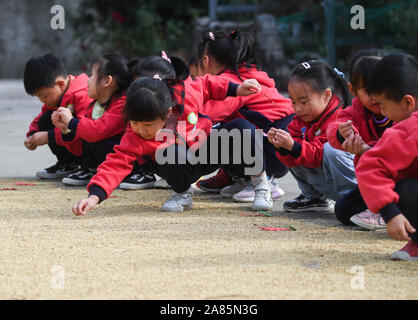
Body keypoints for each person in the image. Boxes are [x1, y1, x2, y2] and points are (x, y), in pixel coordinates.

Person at [72, 54, 265, 215]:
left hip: (204, 152)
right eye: (135, 123)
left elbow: (207, 84)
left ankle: (261, 184)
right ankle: (182, 193)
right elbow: (116, 164)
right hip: (178, 166)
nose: (140, 129)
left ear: (166, 114)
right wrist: (94, 197)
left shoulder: (186, 95)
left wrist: (236, 89)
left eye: (147, 124)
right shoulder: (135, 135)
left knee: (241, 128)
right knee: (167, 152)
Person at [194, 30, 294, 204]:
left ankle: (262, 181)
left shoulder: (231, 82)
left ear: (205, 60)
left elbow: (206, 114)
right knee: (228, 128)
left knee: (215, 132)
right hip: (283, 147)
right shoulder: (250, 74)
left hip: (272, 151)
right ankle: (239, 177)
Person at [268, 60, 356, 212]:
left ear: (326, 95)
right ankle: (314, 197)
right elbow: (293, 154)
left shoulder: (339, 118)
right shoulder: (300, 119)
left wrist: (293, 146)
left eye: (303, 101)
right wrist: (282, 147)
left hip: (356, 186)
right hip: (328, 182)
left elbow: (319, 154)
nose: (298, 108)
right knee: (292, 147)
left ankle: (354, 201)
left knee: (330, 149)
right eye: (293, 102)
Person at [355, 53, 418, 261]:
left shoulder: (407, 129)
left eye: (383, 105)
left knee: (405, 189)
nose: (382, 112)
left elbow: (370, 165)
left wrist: (390, 213)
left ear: (408, 102)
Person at [327, 49, 392, 230]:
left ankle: (392, 212)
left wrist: (367, 149)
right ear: (352, 90)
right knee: (343, 210)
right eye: (367, 90)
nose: (374, 96)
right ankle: (384, 210)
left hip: (401, 179)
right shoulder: (355, 111)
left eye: (380, 88)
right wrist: (344, 133)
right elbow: (334, 126)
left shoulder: (401, 108)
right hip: (373, 182)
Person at [53, 53, 130, 186]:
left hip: (127, 160)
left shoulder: (122, 104)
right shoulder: (94, 105)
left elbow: (97, 130)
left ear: (107, 81)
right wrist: (66, 129)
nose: (88, 80)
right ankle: (91, 169)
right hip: (104, 157)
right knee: (86, 132)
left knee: (92, 134)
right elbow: (79, 147)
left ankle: (126, 172)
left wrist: (72, 122)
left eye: (92, 75)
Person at [23, 53, 92, 179]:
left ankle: (89, 168)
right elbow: (42, 116)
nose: (42, 101)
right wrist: (32, 135)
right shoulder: (56, 97)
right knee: (46, 119)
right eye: (39, 97)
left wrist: (49, 136)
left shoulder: (83, 95)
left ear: (60, 84)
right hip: (71, 141)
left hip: (90, 144)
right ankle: (68, 164)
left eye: (44, 96)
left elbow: (87, 130)